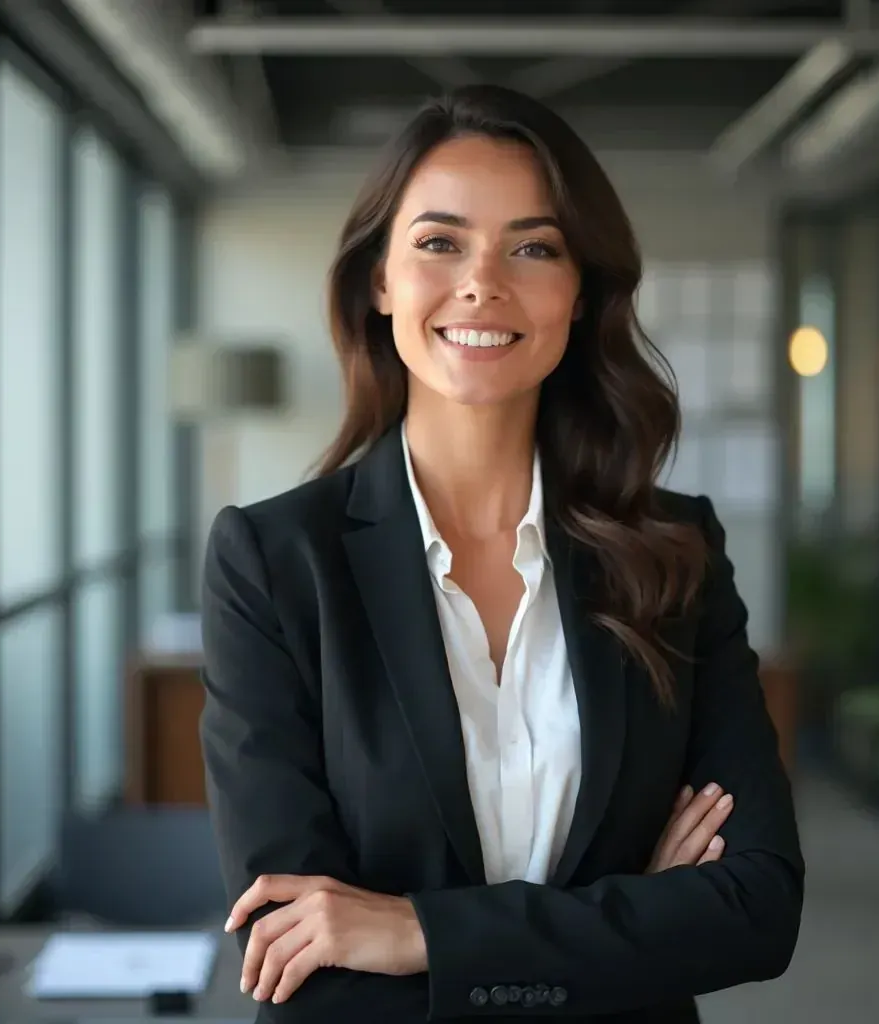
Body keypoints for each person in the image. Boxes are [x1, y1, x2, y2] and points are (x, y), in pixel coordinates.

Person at [200, 84, 804, 1024]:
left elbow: (758, 908)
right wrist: (631, 918)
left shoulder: (674, 553)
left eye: (533, 247)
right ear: (380, 281)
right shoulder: (274, 563)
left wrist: (417, 934)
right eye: (440, 242)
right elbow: (297, 955)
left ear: (579, 290)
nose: (482, 282)